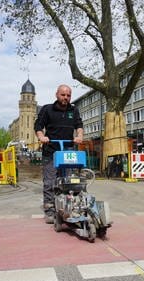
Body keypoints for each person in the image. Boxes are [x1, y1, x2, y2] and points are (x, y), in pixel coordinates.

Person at [34, 84, 84, 224]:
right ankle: (49, 211)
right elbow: (38, 125)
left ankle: (70, 207)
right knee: (50, 182)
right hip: (51, 150)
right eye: (63, 95)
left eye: (68, 95)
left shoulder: (73, 110)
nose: (66, 98)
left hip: (68, 151)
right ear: (57, 95)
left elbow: (79, 125)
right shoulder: (47, 109)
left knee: (70, 181)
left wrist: (79, 136)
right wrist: (41, 137)